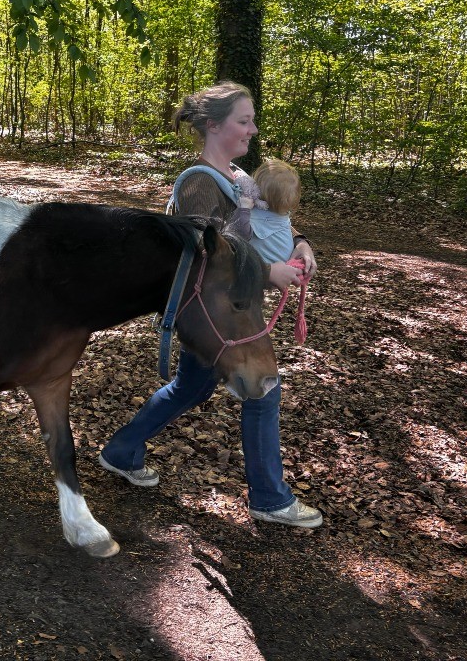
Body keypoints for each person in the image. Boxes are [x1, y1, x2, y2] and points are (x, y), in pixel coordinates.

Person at [98, 81, 323, 528]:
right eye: (244, 121)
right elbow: (210, 256)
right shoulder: (199, 183)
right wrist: (269, 272)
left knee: (192, 388)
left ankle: (121, 451)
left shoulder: (238, 177)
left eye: (252, 121)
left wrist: (301, 243)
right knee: (263, 387)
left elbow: (269, 218)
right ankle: (270, 499)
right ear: (214, 126)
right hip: (213, 316)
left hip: (226, 313)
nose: (253, 130)